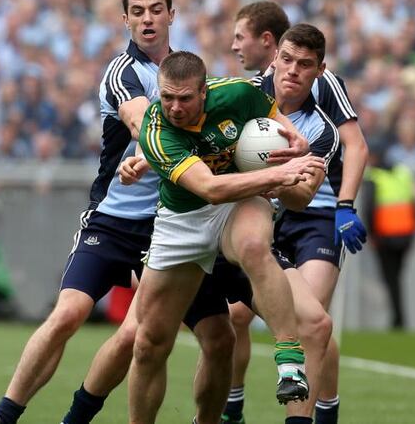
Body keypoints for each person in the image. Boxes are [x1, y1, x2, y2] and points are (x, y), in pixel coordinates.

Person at [0, 0, 244, 423]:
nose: (148, 18)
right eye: (138, 11)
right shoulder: (123, 72)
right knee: (68, 314)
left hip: (173, 222)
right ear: (125, 19)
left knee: (203, 337)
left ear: (171, 15)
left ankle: (79, 418)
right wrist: (150, 152)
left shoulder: (189, 73)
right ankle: (4, 416)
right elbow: (142, 119)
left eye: (156, 9)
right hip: (116, 218)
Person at [129, 50, 325, 424]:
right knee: (148, 344)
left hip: (239, 202)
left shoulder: (238, 94)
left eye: (185, 98)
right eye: (167, 97)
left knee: (254, 246)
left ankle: (289, 363)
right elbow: (209, 189)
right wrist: (277, 178)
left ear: (204, 91)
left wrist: (297, 146)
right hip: (183, 219)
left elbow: (281, 128)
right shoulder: (157, 129)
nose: (174, 107)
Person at [226, 1, 369, 424]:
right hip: (267, 214)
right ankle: (231, 404)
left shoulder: (324, 111)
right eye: (286, 60)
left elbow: (356, 146)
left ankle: (317, 414)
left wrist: (344, 206)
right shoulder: (246, 95)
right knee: (236, 315)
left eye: (304, 64)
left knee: (312, 319)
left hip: (318, 214)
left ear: (318, 69)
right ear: (273, 57)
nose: (292, 70)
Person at [363, 143, 415, 330]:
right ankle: (399, 318)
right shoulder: (404, 172)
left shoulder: (374, 176)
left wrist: (370, 235)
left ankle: (398, 320)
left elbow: (369, 208)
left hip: (384, 236)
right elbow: (414, 203)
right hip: (406, 234)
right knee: (397, 277)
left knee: (390, 278)